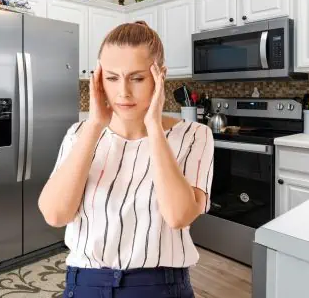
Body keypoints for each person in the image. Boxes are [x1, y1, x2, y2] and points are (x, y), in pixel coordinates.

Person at [38, 21, 214, 298]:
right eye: (111, 77)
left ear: (160, 77)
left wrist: (154, 126)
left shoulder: (194, 135)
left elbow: (179, 216)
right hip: (85, 283)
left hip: (161, 286)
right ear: (99, 78)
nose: (123, 92)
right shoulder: (80, 133)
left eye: (137, 78)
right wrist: (95, 124)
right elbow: (55, 214)